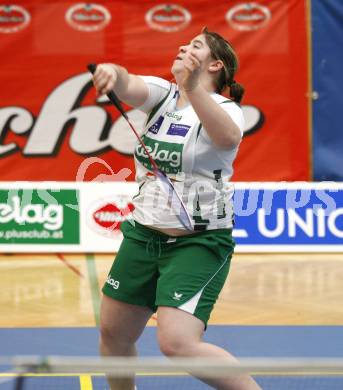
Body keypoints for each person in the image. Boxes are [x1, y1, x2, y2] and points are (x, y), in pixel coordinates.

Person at [92, 27, 262, 390]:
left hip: (198, 243)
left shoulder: (226, 109)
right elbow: (128, 83)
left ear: (215, 64)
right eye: (185, 43)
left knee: (178, 344)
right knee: (113, 333)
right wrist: (112, 71)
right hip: (143, 236)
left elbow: (228, 137)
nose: (184, 47)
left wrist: (193, 88)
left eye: (196, 46)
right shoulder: (163, 95)